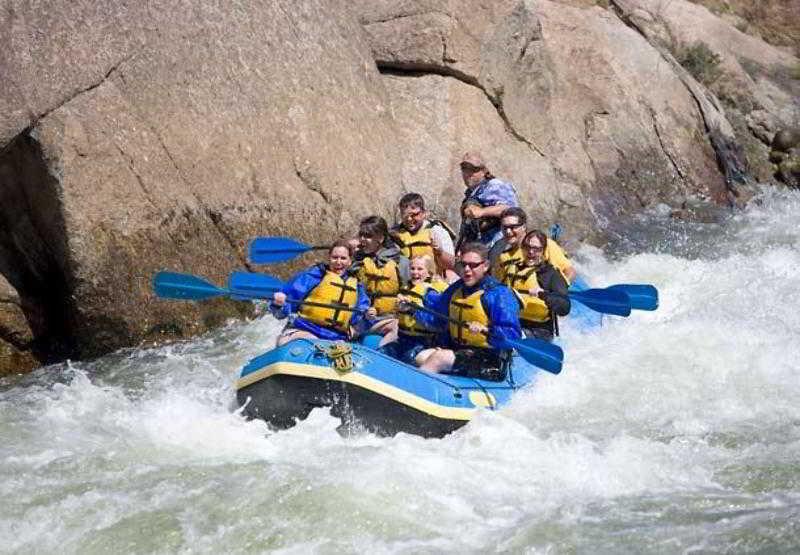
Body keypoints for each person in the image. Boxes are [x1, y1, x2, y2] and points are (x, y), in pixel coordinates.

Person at [414, 242, 522, 379]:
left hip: (489, 360)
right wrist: (412, 310)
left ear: (486, 266)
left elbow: (512, 336)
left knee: (439, 358)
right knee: (420, 357)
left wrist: (486, 330)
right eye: (463, 264)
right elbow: (437, 320)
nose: (466, 269)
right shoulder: (456, 289)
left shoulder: (499, 294)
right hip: (459, 352)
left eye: (473, 265)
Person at [271, 240, 370, 346]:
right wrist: (279, 304)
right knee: (313, 343)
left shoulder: (357, 286)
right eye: (335, 257)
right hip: (304, 330)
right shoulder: (313, 276)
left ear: (350, 261)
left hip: (336, 338)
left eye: (343, 258)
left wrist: (368, 317)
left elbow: (360, 319)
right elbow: (282, 312)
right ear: (329, 258)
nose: (338, 262)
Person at [351, 215, 410, 344]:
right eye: (361, 235)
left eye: (368, 236)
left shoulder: (400, 261)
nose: (362, 240)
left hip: (388, 319)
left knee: (393, 330)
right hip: (361, 318)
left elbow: (409, 290)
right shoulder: (356, 260)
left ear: (381, 238)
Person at [382, 254, 449, 364]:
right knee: (381, 354)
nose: (415, 272)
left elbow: (436, 324)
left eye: (420, 269)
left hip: (421, 342)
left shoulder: (430, 293)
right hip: (402, 339)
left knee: (409, 358)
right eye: (412, 268)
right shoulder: (406, 289)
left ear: (429, 273)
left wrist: (412, 311)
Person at [507, 230, 571, 341]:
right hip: (514, 323)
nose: (531, 252)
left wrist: (543, 294)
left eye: (536, 249)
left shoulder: (551, 274)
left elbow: (565, 307)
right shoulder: (513, 269)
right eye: (527, 247)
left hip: (539, 330)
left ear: (543, 251)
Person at [493, 207, 576, 284]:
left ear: (524, 227)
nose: (508, 231)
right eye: (505, 227)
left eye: (513, 227)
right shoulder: (503, 256)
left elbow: (569, 271)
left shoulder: (544, 244)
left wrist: (558, 292)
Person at [456, 152, 519, 250]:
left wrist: (481, 212)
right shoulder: (472, 193)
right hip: (480, 249)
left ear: (484, 171)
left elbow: (512, 211)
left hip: (498, 245)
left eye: (473, 169)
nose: (468, 174)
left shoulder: (494, 185)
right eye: (464, 168)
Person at [390, 193, 458, 281]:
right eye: (405, 215)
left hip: (433, 285)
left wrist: (440, 252)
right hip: (406, 287)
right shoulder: (394, 234)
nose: (409, 219)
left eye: (414, 215)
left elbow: (451, 264)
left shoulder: (437, 231)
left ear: (424, 213)